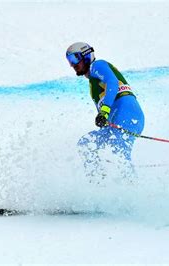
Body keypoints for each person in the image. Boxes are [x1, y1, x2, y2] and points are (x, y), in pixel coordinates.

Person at [65, 42, 145, 183]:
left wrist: (104, 112)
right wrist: (104, 118)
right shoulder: (93, 84)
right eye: (70, 61)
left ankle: (134, 193)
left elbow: (113, 83)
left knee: (119, 153)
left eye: (75, 58)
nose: (73, 64)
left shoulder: (98, 65)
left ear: (86, 56)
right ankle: (98, 186)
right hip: (117, 120)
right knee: (86, 144)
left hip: (128, 114)